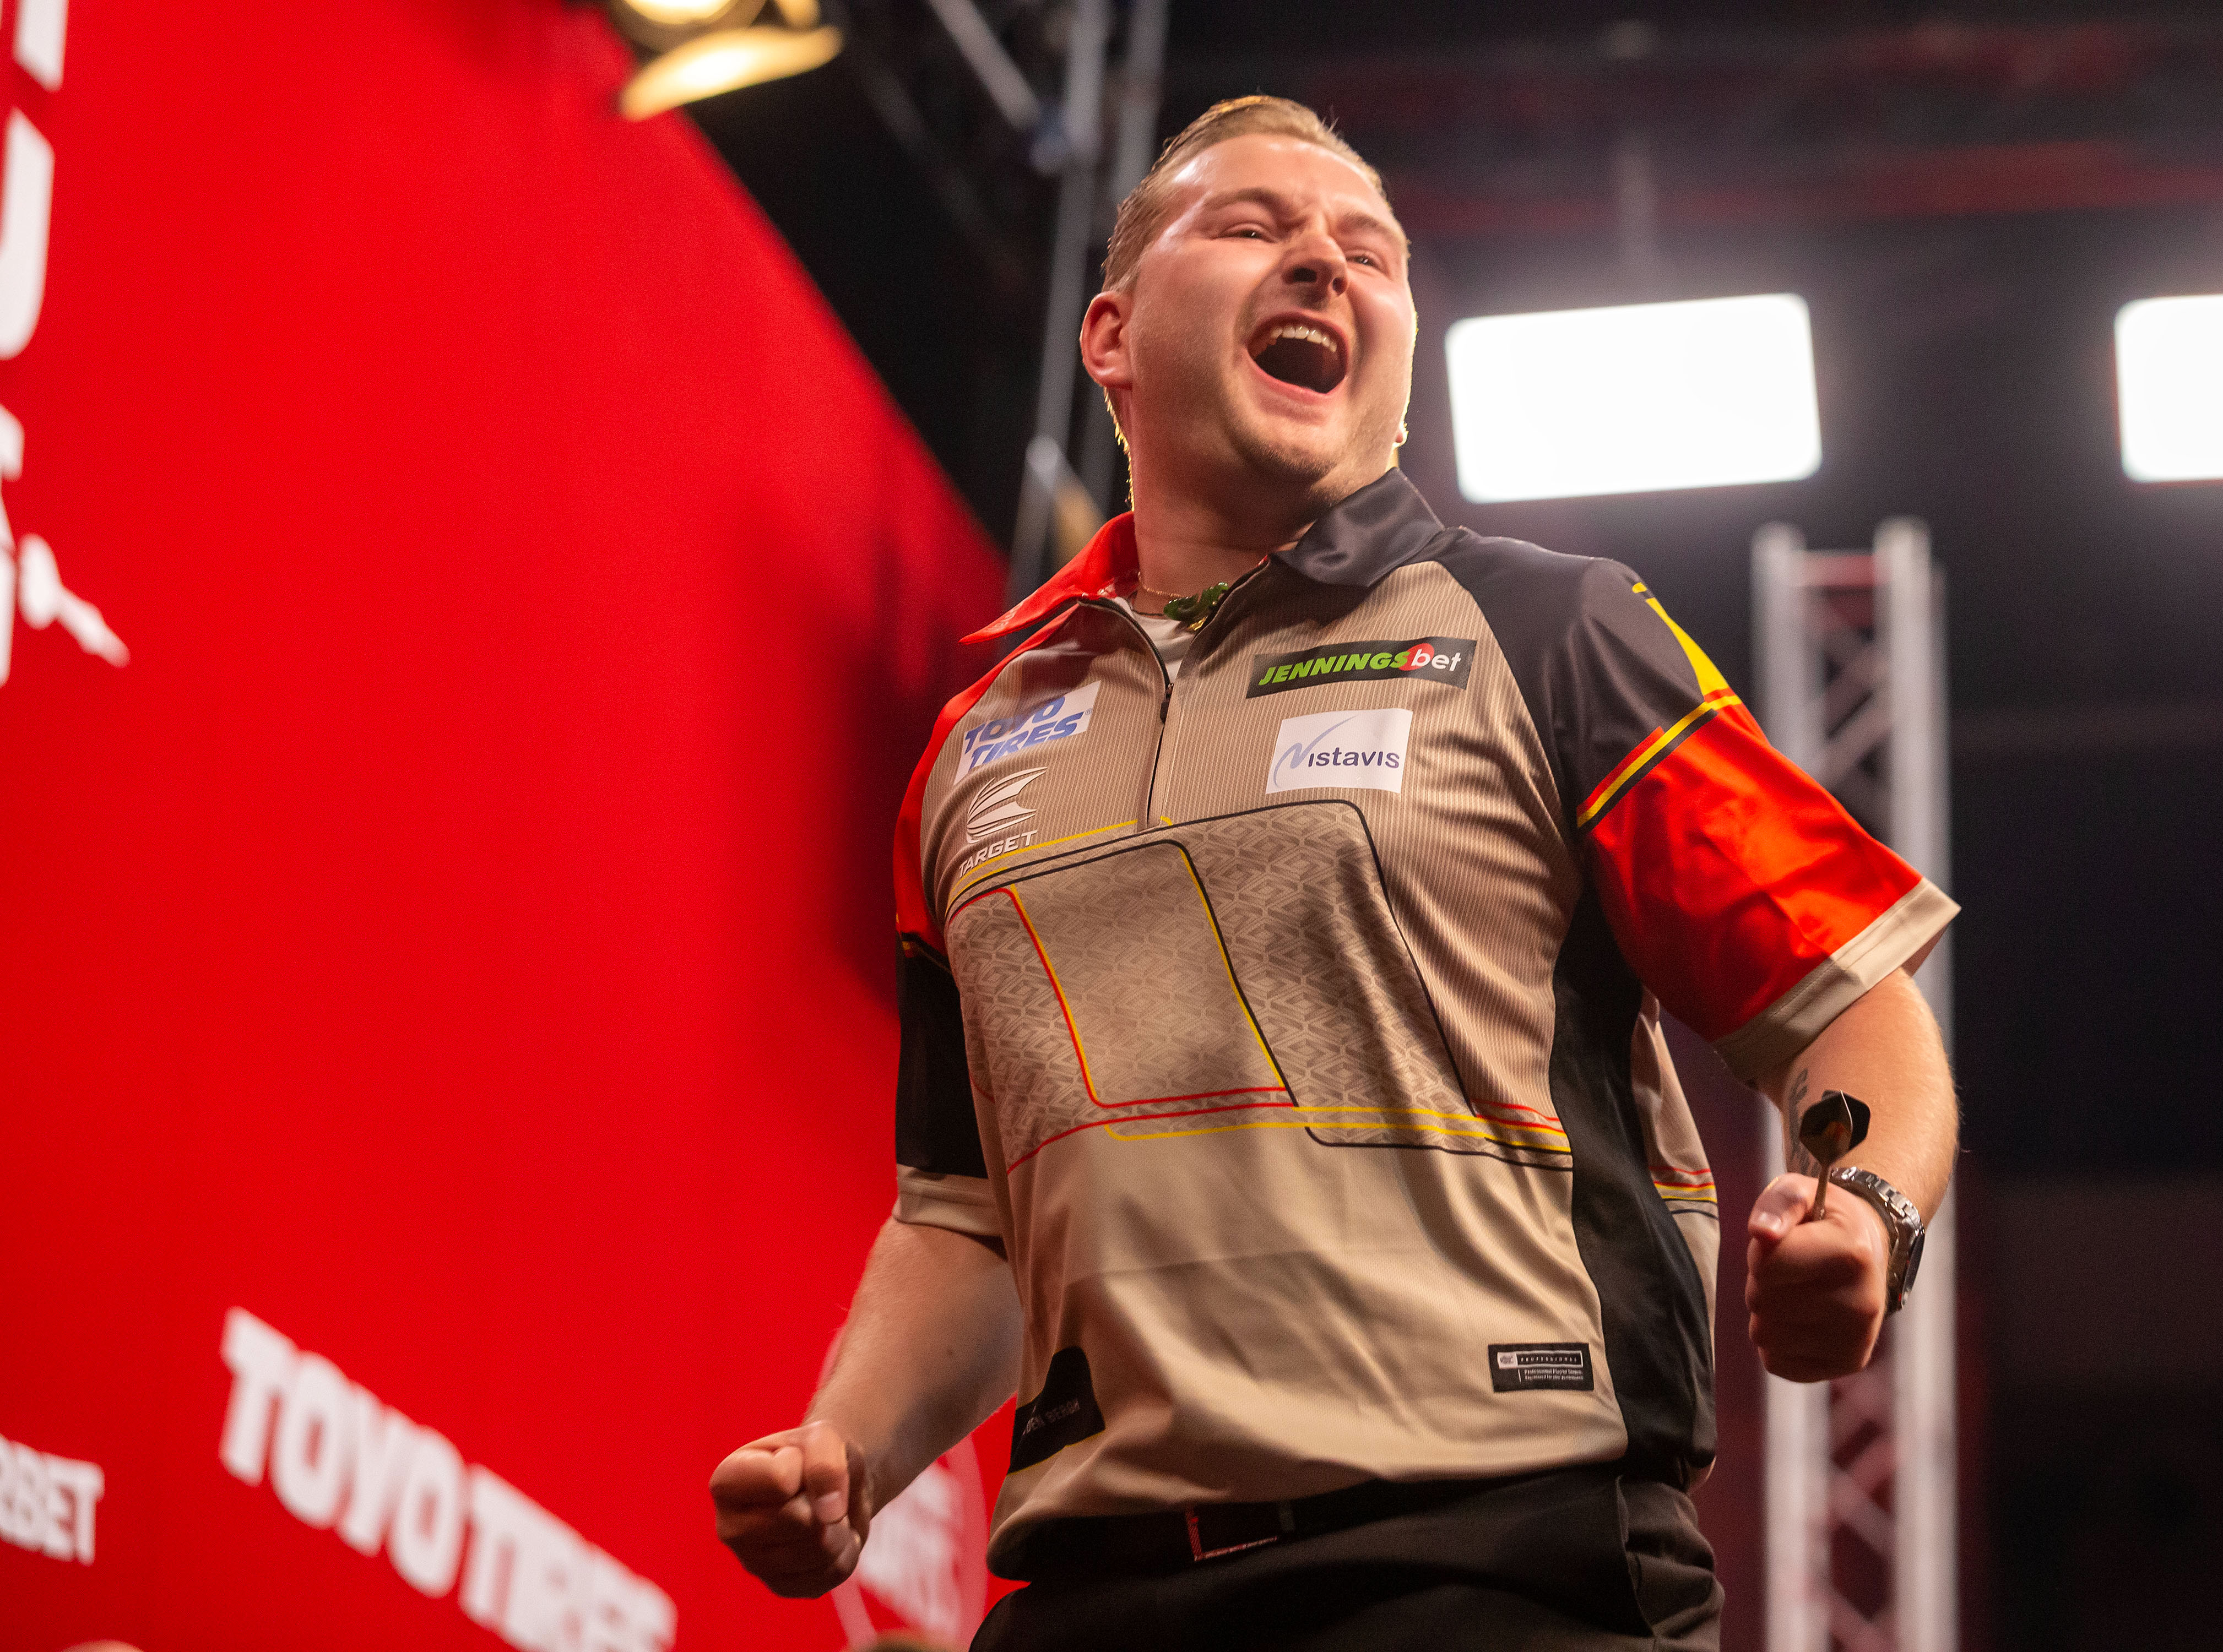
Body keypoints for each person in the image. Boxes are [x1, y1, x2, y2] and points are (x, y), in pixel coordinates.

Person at [710, 95, 1959, 1651]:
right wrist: (850, 1448)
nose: (1322, 262)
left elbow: (1850, 1008)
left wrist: (1868, 1215)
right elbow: (966, 1215)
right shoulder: (975, 745)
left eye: (1369, 254)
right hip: (1091, 1593)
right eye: (1251, 226)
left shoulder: (1554, 631)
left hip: (1502, 1568)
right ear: (1110, 336)